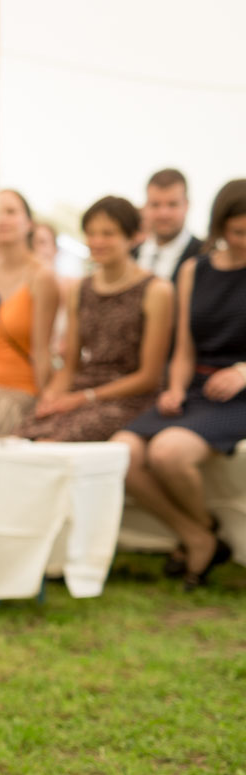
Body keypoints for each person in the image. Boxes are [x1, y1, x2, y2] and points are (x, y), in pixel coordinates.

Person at [116, 179, 246, 589]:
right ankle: (198, 533)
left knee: (169, 451)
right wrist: (174, 387)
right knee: (124, 452)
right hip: (195, 387)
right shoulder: (194, 270)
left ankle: (201, 538)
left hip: (241, 393)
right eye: (239, 231)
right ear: (221, 225)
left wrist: (242, 372)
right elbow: (185, 345)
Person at [19, 196, 171, 443]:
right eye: (91, 234)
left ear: (132, 237)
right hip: (83, 390)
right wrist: (50, 396)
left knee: (51, 446)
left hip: (128, 399)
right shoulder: (80, 289)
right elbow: (70, 365)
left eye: (108, 233)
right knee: (20, 441)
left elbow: (149, 377)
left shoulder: (156, 290)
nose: (97, 242)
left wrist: (84, 397)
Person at [0, 189, 60, 436]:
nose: (2, 219)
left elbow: (42, 350)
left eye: (10, 211)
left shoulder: (41, 276)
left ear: (28, 223)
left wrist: (45, 401)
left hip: (16, 391)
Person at [137, 167, 203, 282]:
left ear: (187, 205)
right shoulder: (130, 255)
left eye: (172, 204)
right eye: (155, 205)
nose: (163, 214)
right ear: (145, 206)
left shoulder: (206, 256)